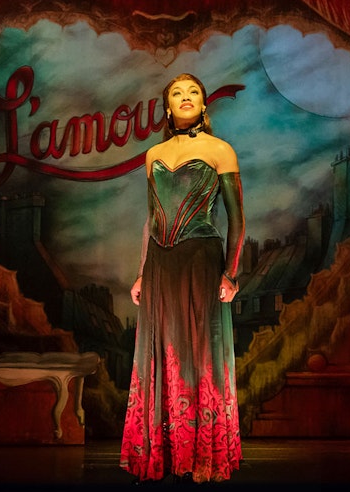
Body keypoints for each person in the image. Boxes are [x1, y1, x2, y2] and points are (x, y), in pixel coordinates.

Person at [120, 73, 244, 484]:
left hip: (200, 260)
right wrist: (141, 274)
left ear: (204, 105)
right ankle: (168, 452)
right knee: (162, 350)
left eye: (193, 92)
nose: (185, 97)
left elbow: (238, 219)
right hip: (160, 263)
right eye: (177, 93)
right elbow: (151, 218)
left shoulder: (220, 150)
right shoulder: (153, 154)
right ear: (168, 107)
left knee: (199, 352)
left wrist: (231, 273)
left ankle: (204, 454)